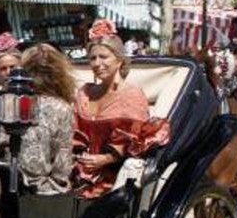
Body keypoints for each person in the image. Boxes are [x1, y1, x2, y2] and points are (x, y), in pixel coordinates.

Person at [72, 20, 170, 197]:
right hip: (78, 171)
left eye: (103, 57)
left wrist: (106, 158)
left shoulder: (132, 95)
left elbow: (137, 142)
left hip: (115, 177)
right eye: (93, 58)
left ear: (119, 60)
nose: (97, 63)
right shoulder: (84, 93)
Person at [16, 43, 76, 194]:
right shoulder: (62, 108)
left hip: (11, 180)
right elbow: (62, 161)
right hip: (42, 189)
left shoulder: (14, 102)